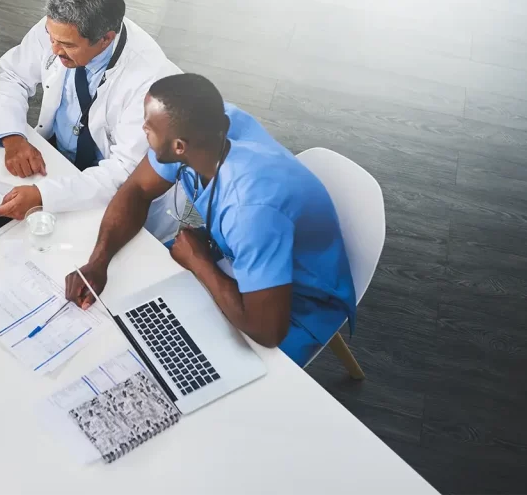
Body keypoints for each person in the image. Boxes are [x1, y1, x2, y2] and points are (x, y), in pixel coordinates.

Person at [65, 74, 357, 366]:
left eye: (148, 126)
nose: (142, 129)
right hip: (234, 254)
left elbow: (268, 331)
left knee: (184, 365)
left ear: (179, 146)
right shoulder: (205, 125)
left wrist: (199, 262)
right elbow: (137, 189)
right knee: (134, 316)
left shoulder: (250, 210)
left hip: (298, 304)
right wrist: (98, 262)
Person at [0, 0, 180, 241]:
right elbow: (11, 76)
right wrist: (12, 136)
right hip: (60, 162)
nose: (54, 50)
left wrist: (45, 196)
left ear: (106, 39)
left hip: (120, 191)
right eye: (50, 38)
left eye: (66, 45)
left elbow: (126, 171)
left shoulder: (153, 83)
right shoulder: (59, 28)